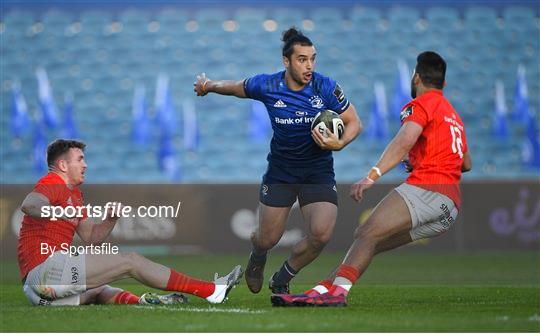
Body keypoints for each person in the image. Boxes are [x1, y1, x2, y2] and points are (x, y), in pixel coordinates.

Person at [273, 51, 472, 306]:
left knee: (365, 232)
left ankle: (336, 295)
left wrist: (371, 176)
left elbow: (404, 140)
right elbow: (465, 163)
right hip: (450, 207)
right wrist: (422, 158)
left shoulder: (421, 104)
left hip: (428, 188)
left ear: (417, 78)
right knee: (371, 242)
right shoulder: (454, 116)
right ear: (443, 84)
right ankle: (322, 291)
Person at [193, 27, 362, 295]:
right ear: (286, 61)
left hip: (318, 171)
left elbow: (354, 122)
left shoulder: (326, 86)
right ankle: (257, 256)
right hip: (281, 172)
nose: (309, 65)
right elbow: (236, 88)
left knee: (321, 234)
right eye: (302, 59)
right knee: (267, 238)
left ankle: (283, 276)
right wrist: (209, 86)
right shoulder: (268, 85)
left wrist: (339, 143)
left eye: (313, 58)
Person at [18, 139, 242, 306]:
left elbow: (91, 237)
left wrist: (110, 220)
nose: (85, 165)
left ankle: (142, 302)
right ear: (63, 165)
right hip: (44, 271)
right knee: (131, 261)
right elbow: (30, 205)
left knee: (100, 289)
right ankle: (211, 291)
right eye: (80, 159)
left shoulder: (75, 195)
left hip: (36, 289)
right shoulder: (52, 182)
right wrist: (58, 213)